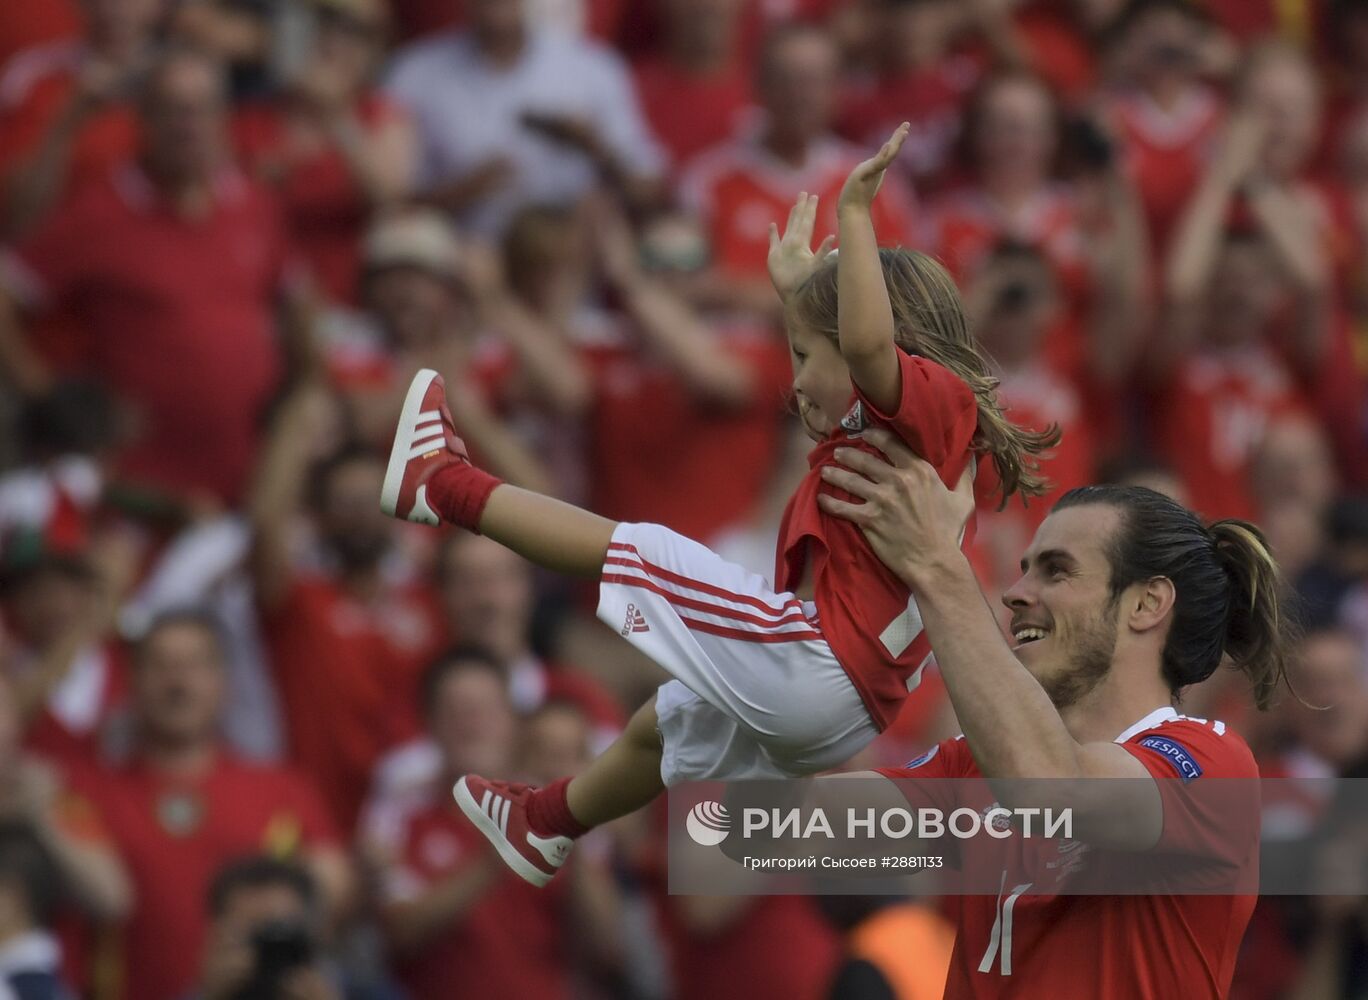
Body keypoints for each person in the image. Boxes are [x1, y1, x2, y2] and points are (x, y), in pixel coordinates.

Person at [380, 125, 1056, 886]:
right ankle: (547, 823)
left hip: (818, 667)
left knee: (636, 547)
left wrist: (857, 217)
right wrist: (804, 296)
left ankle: (440, 484)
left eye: (805, 356)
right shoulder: (906, 430)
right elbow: (853, 345)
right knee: (664, 728)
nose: (794, 379)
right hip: (838, 710)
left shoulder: (933, 405)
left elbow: (865, 347)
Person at [807, 424, 1289, 997]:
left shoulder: (1209, 760)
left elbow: (1054, 790)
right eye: (1025, 566)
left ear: (1146, 604)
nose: (1015, 592)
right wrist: (723, 692)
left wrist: (938, 566)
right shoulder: (976, 767)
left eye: (1055, 570)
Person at [76, 610, 352, 1000]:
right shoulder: (87, 791)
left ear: (224, 682)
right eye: (161, 666)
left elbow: (331, 893)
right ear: (131, 681)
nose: (178, 682)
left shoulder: (281, 788)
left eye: (195, 665)